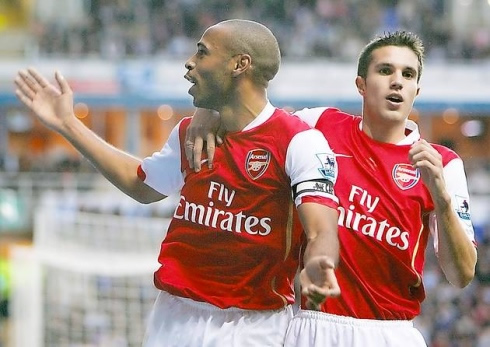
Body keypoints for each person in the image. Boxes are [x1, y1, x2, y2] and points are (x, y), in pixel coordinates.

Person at [14, 19, 342, 346]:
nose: (189, 62)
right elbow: (141, 183)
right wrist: (68, 124)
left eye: (202, 53)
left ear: (240, 64)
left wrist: (318, 262)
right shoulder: (189, 133)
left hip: (254, 324)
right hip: (173, 317)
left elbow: (321, 227)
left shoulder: (298, 141)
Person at [185, 31, 478, 346]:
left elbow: (461, 275)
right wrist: (210, 111)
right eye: (385, 70)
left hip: (390, 332)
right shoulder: (319, 125)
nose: (397, 81)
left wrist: (443, 201)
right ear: (361, 85)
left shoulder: (442, 164)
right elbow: (253, 117)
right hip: (310, 324)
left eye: (408, 75)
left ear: (416, 91)